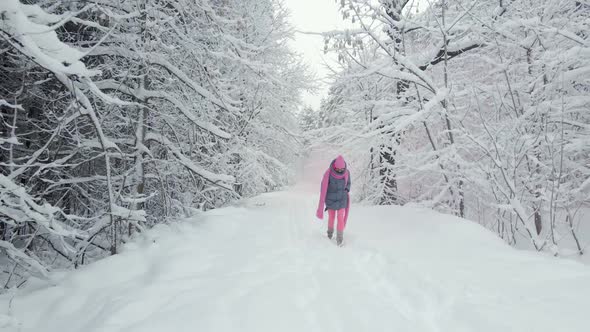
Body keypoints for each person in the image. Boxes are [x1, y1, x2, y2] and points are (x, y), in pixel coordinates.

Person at [316, 155, 350, 246]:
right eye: (338, 169)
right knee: (332, 217)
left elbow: (348, 183)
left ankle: (340, 238)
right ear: (335, 166)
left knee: (340, 217)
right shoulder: (328, 173)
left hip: (342, 199)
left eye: (341, 169)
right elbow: (323, 188)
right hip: (330, 199)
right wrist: (322, 203)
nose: (339, 171)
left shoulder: (346, 173)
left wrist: (347, 189)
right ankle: (329, 235)